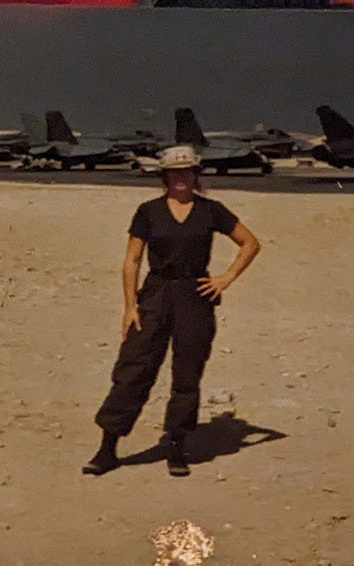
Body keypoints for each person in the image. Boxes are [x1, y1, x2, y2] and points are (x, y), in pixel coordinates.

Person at [82, 145, 262, 477]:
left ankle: (177, 447)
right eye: (174, 172)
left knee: (187, 373)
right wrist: (129, 306)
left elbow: (250, 243)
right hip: (155, 294)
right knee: (133, 368)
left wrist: (226, 278)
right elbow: (132, 261)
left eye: (187, 171)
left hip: (195, 294)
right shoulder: (148, 211)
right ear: (164, 176)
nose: (181, 178)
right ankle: (107, 449)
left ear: (196, 174)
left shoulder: (211, 210)